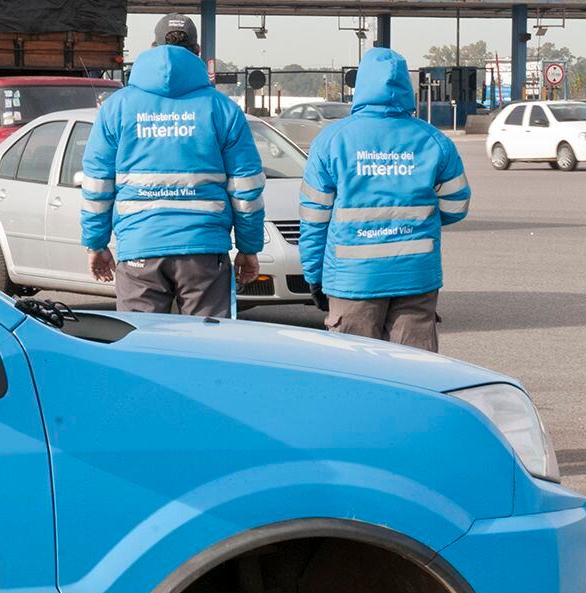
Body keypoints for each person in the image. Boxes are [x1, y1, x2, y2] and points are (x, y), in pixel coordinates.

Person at [79, 14, 264, 317]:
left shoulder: (117, 108)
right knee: (208, 353)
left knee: (141, 352)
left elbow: (97, 185)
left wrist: (95, 243)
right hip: (204, 252)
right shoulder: (222, 109)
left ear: (152, 47)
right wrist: (248, 246)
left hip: (139, 249)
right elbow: (246, 189)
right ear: (198, 51)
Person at [298, 47, 470, 352]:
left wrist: (314, 276)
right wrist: (414, 222)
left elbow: (314, 219)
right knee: (415, 377)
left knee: (357, 380)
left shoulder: (332, 140)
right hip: (415, 277)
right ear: (407, 87)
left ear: (360, 86)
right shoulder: (434, 141)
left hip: (352, 281)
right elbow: (456, 206)